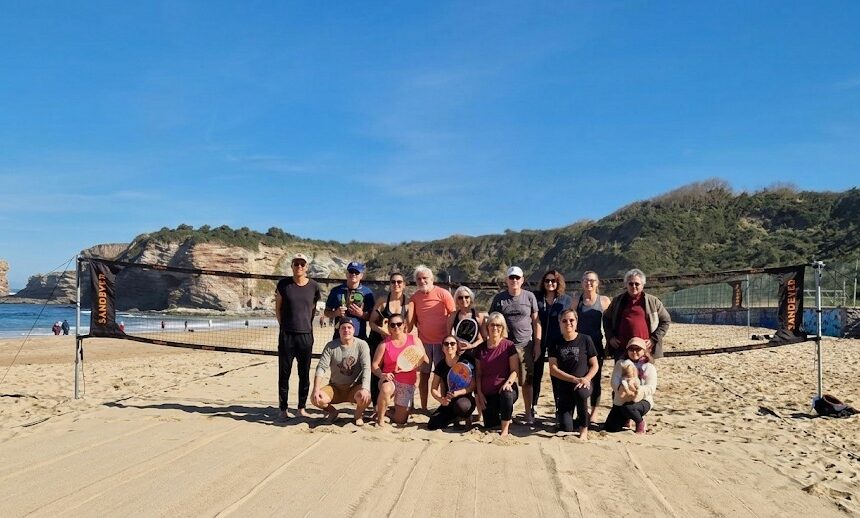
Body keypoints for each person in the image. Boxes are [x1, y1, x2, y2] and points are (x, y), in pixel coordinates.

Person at [488, 266, 541, 424]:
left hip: (525, 345)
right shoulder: (499, 299)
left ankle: (528, 413)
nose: (514, 280)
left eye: (517, 277)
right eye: (511, 277)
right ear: (507, 280)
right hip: (505, 346)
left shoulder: (529, 297)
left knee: (526, 382)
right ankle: (506, 413)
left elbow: (536, 322)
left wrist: (537, 344)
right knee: (503, 379)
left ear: (522, 280)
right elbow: (491, 320)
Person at [275, 253, 322, 420]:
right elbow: (278, 309)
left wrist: (305, 325)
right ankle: (283, 409)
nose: (299, 267)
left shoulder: (314, 286)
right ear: (292, 266)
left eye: (302, 264)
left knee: (304, 373)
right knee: (284, 373)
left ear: (307, 267)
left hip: (305, 335)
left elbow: (312, 310)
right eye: (296, 264)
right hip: (287, 335)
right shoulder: (283, 284)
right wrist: (285, 327)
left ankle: (301, 408)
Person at [407, 265, 455, 412]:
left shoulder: (443, 294)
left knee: (443, 376)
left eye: (425, 278)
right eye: (419, 279)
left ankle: (444, 406)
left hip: (443, 344)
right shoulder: (414, 298)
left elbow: (453, 314)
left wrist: (450, 336)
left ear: (432, 278)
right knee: (424, 376)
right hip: (423, 343)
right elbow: (410, 322)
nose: (422, 281)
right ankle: (424, 407)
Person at [310, 320, 372, 426]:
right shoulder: (331, 346)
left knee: (366, 396)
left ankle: (358, 415)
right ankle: (333, 412)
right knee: (315, 398)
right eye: (343, 328)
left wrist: (365, 388)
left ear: (354, 330)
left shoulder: (362, 345)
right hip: (335, 388)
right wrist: (316, 389)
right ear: (339, 331)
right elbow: (321, 367)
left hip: (354, 388)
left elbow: (367, 368)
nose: (346, 330)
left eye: (349, 327)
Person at [548, 309, 598, 438]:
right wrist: (574, 379)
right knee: (566, 427)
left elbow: (595, 365)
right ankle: (575, 418)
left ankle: (584, 428)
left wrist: (586, 379)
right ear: (560, 323)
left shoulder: (586, 339)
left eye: (571, 320)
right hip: (565, 387)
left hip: (583, 384)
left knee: (580, 392)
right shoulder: (555, 342)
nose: (568, 323)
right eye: (564, 321)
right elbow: (553, 369)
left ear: (576, 322)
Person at [372, 313, 428, 426]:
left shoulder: (414, 340)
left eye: (399, 324)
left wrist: (416, 363)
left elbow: (426, 359)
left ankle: (383, 410)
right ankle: (380, 419)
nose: (396, 327)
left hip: (407, 382)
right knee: (386, 389)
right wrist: (382, 375)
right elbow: (374, 365)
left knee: (400, 420)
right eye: (392, 325)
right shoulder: (384, 344)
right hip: (390, 379)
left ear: (404, 325)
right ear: (389, 327)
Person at [603, 268, 671, 360]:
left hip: (645, 350)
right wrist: (610, 337)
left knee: (645, 370)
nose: (634, 286)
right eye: (631, 283)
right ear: (626, 284)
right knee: (623, 370)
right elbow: (606, 318)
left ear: (643, 285)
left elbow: (666, 320)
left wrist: (654, 339)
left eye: (637, 284)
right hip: (622, 350)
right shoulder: (617, 301)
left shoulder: (653, 301)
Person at [574, 271, 612, 420]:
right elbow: (571, 321)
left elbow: (610, 324)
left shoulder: (604, 301)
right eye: (585, 280)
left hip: (596, 344)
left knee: (596, 379)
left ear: (597, 283)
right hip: (580, 345)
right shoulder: (577, 300)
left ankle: (594, 412)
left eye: (592, 280)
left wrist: (610, 342)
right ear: (582, 282)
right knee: (579, 376)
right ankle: (582, 410)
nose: (588, 283)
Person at [367, 272, 410, 404]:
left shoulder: (408, 303)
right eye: (393, 282)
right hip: (378, 340)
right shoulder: (382, 301)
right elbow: (371, 322)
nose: (396, 284)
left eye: (399, 282)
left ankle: (394, 403)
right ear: (390, 284)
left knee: (397, 371)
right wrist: (383, 332)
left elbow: (408, 326)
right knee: (376, 371)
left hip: (396, 343)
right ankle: (376, 404)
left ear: (404, 285)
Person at [475, 312, 520, 436]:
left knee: (506, 395)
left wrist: (508, 383)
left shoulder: (509, 346)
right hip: (488, 394)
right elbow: (478, 373)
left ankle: (505, 430)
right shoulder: (480, 348)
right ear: (487, 327)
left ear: (502, 328)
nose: (495, 328)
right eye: (492, 325)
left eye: (498, 325)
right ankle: (503, 414)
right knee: (490, 424)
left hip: (505, 389)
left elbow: (515, 370)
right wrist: (479, 393)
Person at [533, 270, 572, 411]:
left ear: (558, 282)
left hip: (557, 341)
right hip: (538, 339)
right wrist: (537, 343)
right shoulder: (536, 297)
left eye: (553, 281)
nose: (550, 283)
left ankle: (559, 407)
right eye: (547, 280)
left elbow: (569, 320)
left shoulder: (565, 299)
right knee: (536, 374)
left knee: (556, 375)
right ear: (543, 283)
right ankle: (533, 406)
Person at [605, 337, 658, 434]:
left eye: (638, 349)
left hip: (642, 399)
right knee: (610, 427)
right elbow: (614, 381)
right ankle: (626, 419)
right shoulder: (621, 364)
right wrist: (621, 388)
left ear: (644, 351)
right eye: (631, 349)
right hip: (622, 398)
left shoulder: (649, 367)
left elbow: (651, 387)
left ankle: (640, 422)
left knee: (629, 408)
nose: (634, 352)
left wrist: (638, 391)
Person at [428, 335, 477, 430]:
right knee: (432, 424)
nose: (449, 346)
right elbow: (433, 388)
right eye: (446, 344)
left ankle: (466, 416)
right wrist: (441, 399)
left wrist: (457, 393)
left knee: (462, 407)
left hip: (465, 398)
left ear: (457, 346)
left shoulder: (465, 361)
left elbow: (472, 386)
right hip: (448, 401)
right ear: (442, 348)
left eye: (452, 343)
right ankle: (454, 418)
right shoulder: (440, 365)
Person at [324, 261, 375, 341]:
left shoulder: (367, 292)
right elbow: (326, 312)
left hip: (359, 336)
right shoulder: (336, 291)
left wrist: (361, 314)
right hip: (339, 336)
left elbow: (372, 318)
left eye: (356, 272)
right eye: (351, 271)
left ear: (361, 275)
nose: (353, 274)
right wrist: (336, 313)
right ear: (347, 274)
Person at [446, 285, 486, 358]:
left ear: (471, 299)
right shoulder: (453, 316)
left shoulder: (478, 316)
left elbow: (484, 338)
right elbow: (448, 335)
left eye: (466, 297)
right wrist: (457, 343)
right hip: (459, 353)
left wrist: (471, 346)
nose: (463, 300)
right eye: (460, 298)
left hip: (476, 353)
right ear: (456, 300)